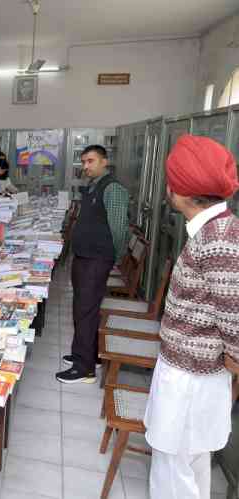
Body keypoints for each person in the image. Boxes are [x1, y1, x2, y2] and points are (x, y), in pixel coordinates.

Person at [144, 136, 239, 499]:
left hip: (191, 379)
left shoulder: (219, 238)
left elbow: (233, 312)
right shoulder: (215, 229)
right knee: (189, 465)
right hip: (190, 371)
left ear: (180, 189)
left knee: (173, 471)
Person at [57, 145, 129, 383]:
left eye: (91, 161)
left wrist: (113, 257)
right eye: (84, 162)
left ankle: (84, 367)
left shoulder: (113, 189)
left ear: (104, 162)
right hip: (85, 256)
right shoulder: (94, 185)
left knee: (85, 309)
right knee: (83, 307)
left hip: (97, 258)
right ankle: (89, 354)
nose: (86, 166)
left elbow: (119, 229)